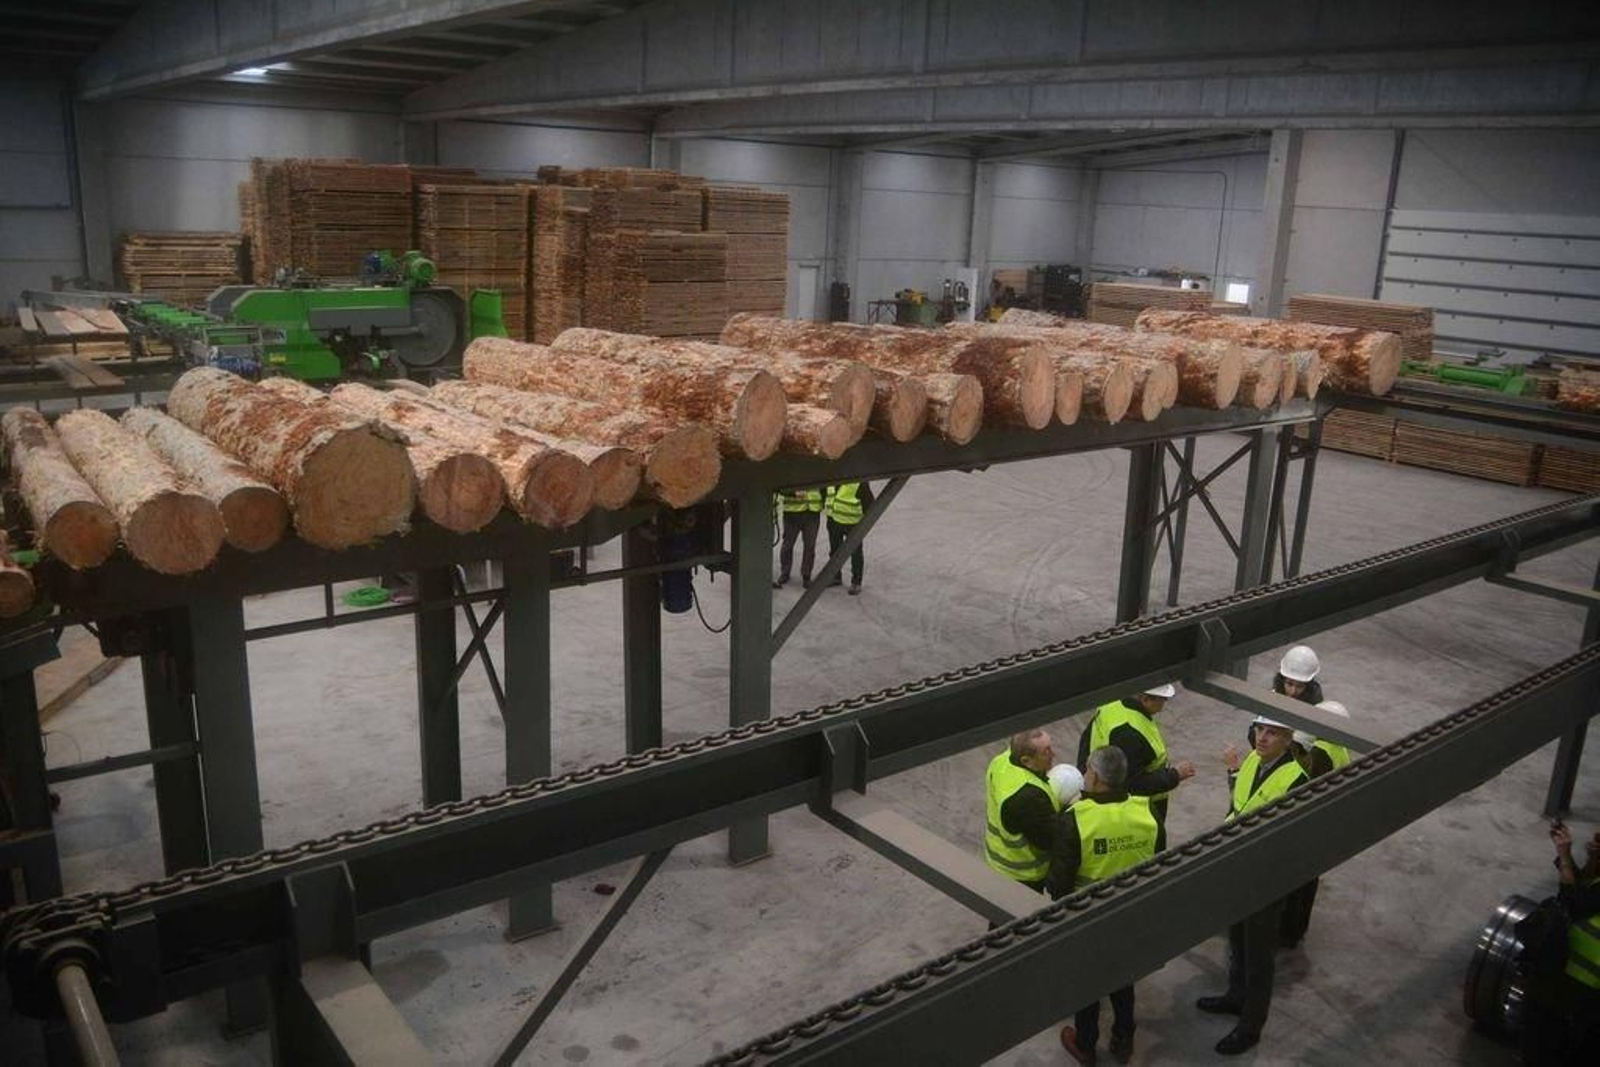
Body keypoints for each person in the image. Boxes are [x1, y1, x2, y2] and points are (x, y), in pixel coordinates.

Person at [1197, 716, 1309, 1056]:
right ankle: (1236, 997)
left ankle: (1251, 1027)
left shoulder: (1296, 780)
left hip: (1265, 879)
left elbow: (1292, 841)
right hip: (1237, 868)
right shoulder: (1251, 761)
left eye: (1272, 733)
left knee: (1259, 954)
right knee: (1238, 940)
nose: (1262, 738)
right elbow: (1240, 803)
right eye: (1260, 730)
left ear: (1288, 739)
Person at [1052, 747, 1159, 1065]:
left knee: (1087, 984)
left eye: (1087, 770)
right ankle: (1124, 1039)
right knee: (1123, 977)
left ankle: (1085, 1044)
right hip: (1131, 914)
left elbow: (1058, 885)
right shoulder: (1146, 811)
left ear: (1096, 777)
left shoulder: (1076, 819)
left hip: (1088, 919)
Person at [1078, 683, 1196, 851]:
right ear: (1146, 699)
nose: (1165, 703)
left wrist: (1085, 775)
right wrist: (1174, 775)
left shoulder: (1111, 705)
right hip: (1137, 812)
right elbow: (1134, 784)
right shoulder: (1130, 733)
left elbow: (1086, 739)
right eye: (1162, 699)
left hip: (1098, 790)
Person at [1521, 821, 1600, 1064]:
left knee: (1547, 1046)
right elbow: (1583, 892)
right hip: (1572, 979)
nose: (1593, 841)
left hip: (1574, 983)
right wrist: (1566, 855)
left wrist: (1565, 856)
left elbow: (1572, 903)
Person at [1279, 700, 1353, 949]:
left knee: (1296, 882)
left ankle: (1288, 931)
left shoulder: (1321, 752)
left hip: (1312, 827)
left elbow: (1306, 784)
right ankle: (1296, 930)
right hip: (1328, 824)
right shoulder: (1339, 746)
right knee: (1308, 881)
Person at [982, 728, 1060, 892]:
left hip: (998, 859)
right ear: (1026, 761)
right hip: (1023, 874)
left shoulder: (1001, 761)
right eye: (1046, 752)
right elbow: (1048, 839)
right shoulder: (1027, 797)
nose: (1053, 755)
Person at [823, 481, 874, 595]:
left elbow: (870, 505)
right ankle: (835, 576)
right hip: (833, 520)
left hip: (852, 524)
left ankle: (856, 582)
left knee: (856, 553)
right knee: (834, 551)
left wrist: (862, 525)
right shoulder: (831, 477)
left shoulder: (860, 483)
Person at [773, 487, 822, 588]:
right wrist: (793, 493)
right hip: (792, 512)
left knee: (810, 546)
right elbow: (780, 487)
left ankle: (806, 576)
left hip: (813, 511)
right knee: (788, 545)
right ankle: (785, 572)